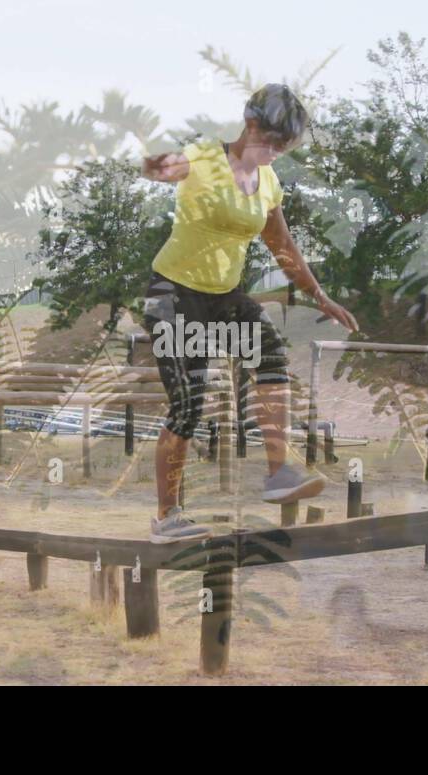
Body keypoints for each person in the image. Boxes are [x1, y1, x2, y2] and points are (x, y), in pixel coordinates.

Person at [139, 83, 359, 543]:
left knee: (271, 354)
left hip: (224, 296)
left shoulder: (269, 182)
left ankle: (279, 472)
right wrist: (152, 159)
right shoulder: (203, 158)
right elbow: (152, 167)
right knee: (188, 403)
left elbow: (283, 247)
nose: (278, 152)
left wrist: (319, 295)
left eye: (286, 146)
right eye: (274, 142)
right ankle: (166, 516)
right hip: (173, 296)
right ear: (252, 124)